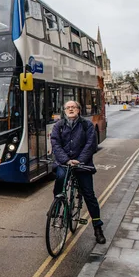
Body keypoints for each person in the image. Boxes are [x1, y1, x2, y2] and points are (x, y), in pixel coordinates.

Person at [50, 101, 106, 244]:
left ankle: (97, 227)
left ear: (78, 110)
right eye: (68, 108)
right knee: (60, 179)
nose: (70, 109)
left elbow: (91, 144)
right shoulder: (58, 126)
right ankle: (57, 206)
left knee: (89, 195)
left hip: (83, 164)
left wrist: (80, 160)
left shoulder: (86, 125)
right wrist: (66, 160)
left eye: (73, 107)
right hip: (65, 163)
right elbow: (55, 144)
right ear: (64, 111)